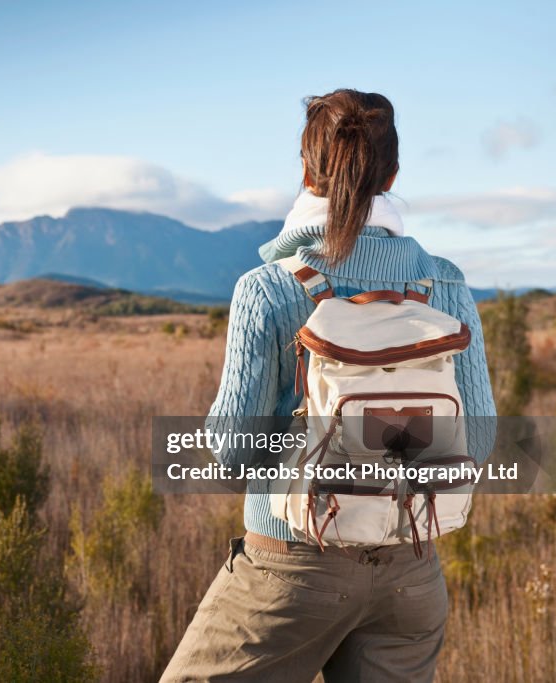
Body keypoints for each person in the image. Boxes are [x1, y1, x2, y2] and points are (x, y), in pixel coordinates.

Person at [160, 89, 496, 682]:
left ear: (306, 172)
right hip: (411, 572)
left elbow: (234, 451)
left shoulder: (268, 287)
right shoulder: (446, 284)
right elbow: (483, 440)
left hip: (292, 570)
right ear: (392, 176)